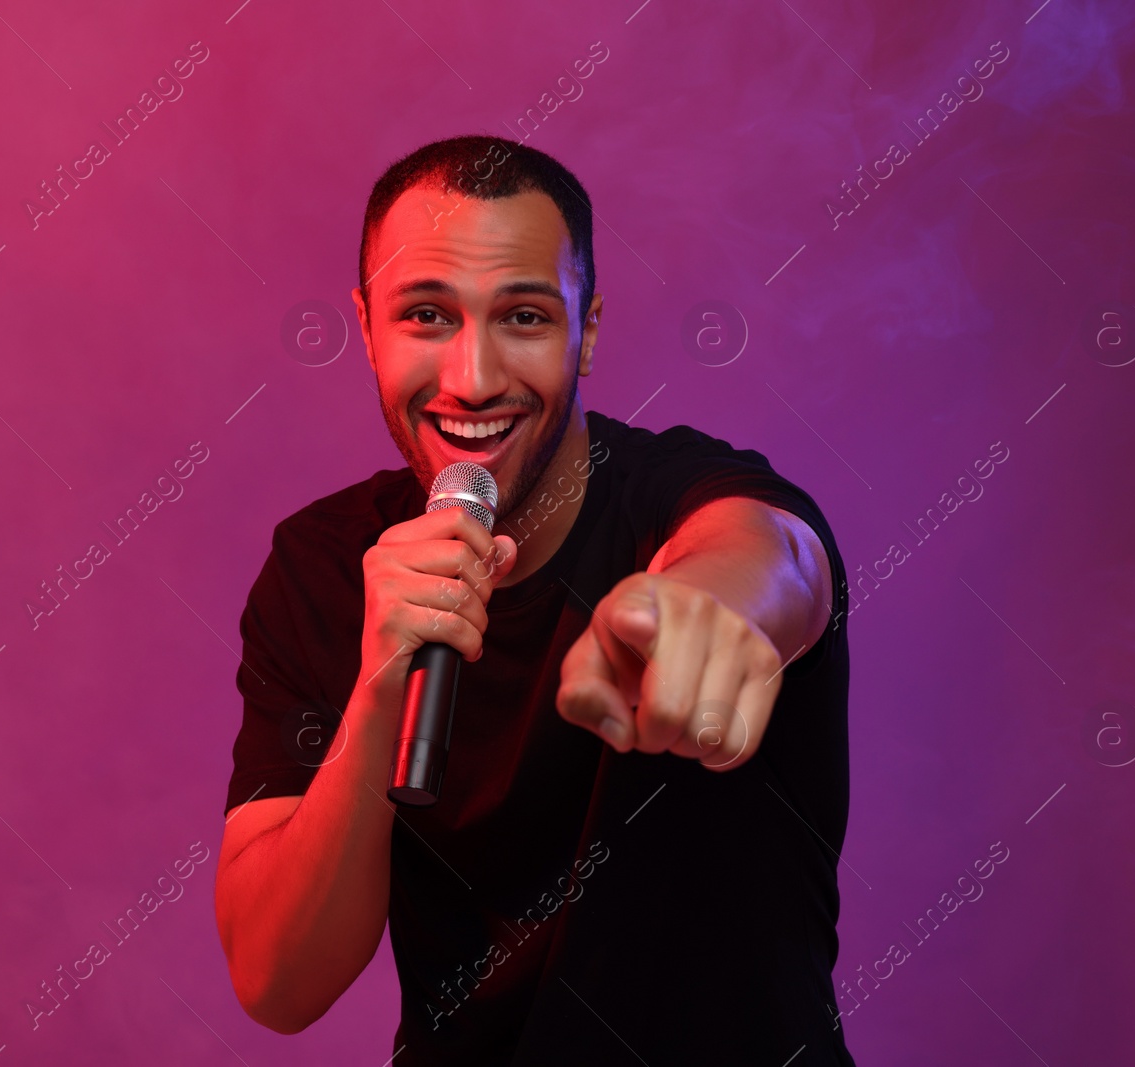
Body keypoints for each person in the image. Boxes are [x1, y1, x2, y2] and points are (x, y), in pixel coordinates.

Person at [213, 134, 857, 1066]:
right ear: (365, 327)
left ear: (586, 330)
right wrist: (380, 688)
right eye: (427, 315)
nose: (474, 379)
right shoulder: (319, 565)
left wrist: (698, 613)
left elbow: (773, 555)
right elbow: (279, 982)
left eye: (523, 317)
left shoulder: (683, 495)